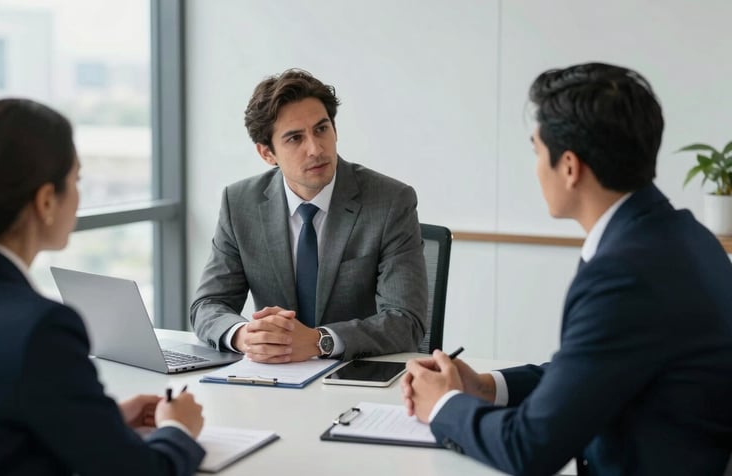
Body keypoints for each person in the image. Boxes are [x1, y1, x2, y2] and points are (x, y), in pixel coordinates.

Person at [402, 63, 732, 475]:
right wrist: (485, 387)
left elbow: (530, 448)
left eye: (537, 151)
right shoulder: (682, 236)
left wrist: (444, 406)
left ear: (571, 167)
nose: (536, 166)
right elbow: (588, 370)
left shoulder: (624, 273)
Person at [0, 98, 206, 475]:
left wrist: (100, 424)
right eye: (76, 180)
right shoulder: (39, 328)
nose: (79, 194)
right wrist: (179, 428)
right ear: (46, 201)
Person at [191, 69, 427, 363]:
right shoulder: (240, 204)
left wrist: (321, 341)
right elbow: (208, 304)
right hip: (273, 379)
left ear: (335, 130)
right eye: (294, 138)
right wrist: (245, 336)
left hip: (357, 375)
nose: (315, 149)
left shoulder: (390, 201)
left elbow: (406, 321)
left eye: (321, 129)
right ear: (267, 153)